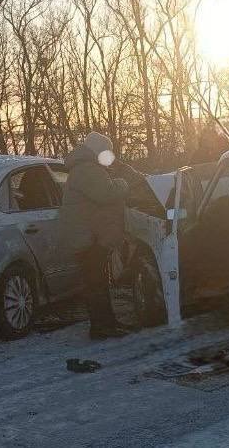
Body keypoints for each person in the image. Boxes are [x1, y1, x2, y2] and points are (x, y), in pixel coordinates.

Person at [60, 132, 131, 340]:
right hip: (88, 238)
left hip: (87, 236)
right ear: (98, 150)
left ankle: (107, 323)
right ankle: (101, 327)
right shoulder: (88, 170)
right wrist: (123, 183)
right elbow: (106, 193)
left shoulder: (82, 168)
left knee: (97, 282)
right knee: (96, 284)